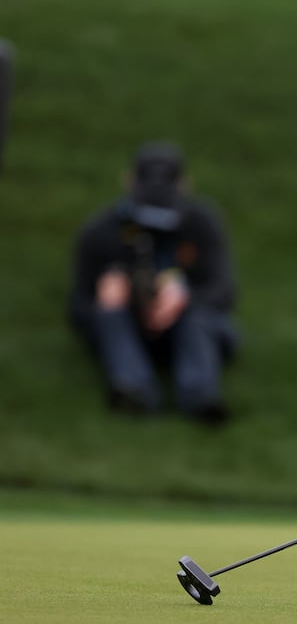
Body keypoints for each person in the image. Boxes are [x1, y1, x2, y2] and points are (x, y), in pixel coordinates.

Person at [70, 142, 238, 423]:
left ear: (185, 185)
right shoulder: (100, 232)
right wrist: (107, 302)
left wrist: (182, 299)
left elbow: (225, 292)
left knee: (198, 316)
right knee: (110, 313)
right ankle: (133, 391)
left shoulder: (202, 223)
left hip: (193, 329)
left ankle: (200, 398)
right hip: (132, 330)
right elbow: (76, 308)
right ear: (128, 182)